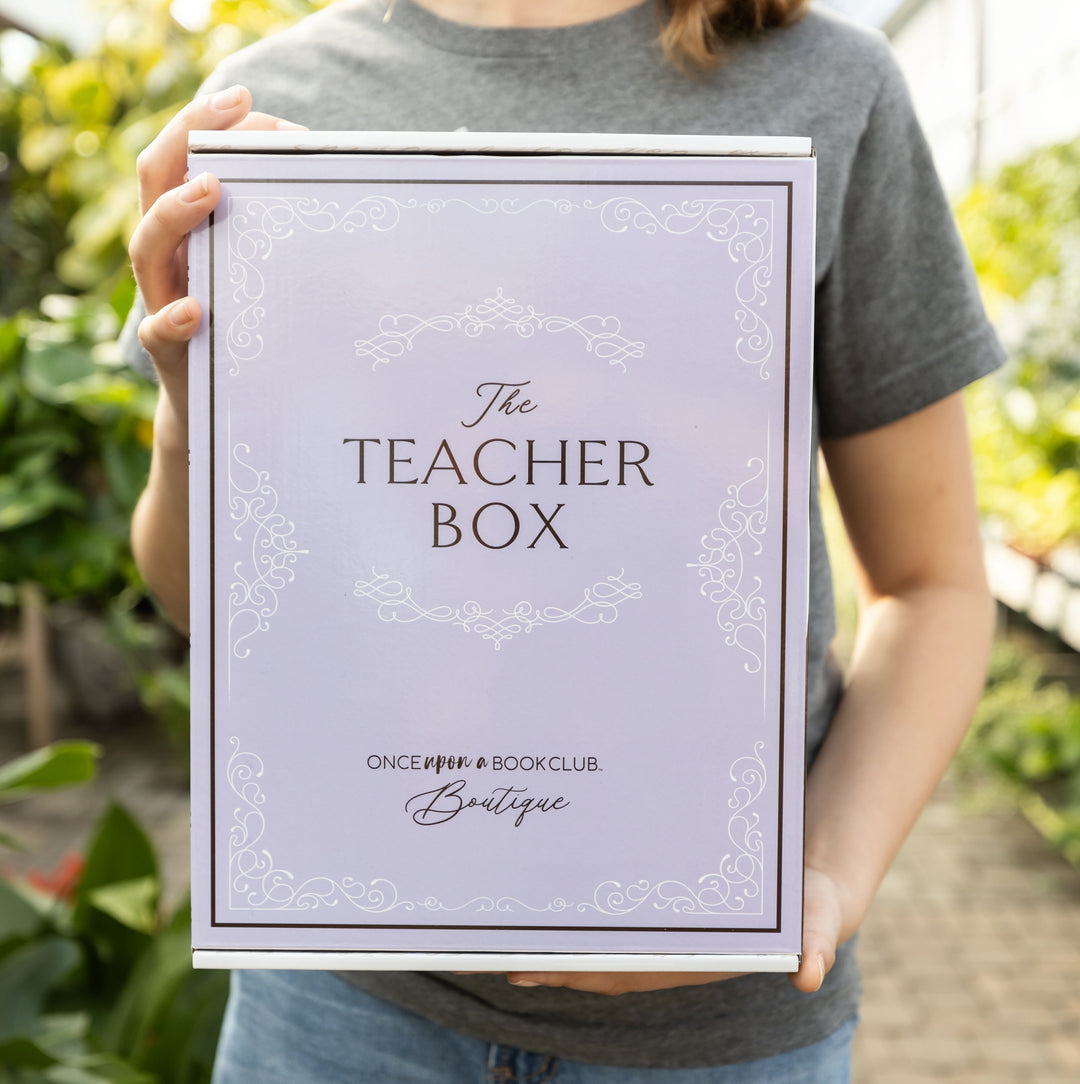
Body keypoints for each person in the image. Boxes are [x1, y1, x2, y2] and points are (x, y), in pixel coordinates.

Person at [122, 0, 1003, 1079]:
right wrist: (189, 412)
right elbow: (201, 598)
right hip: (340, 1000)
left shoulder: (831, 86)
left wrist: (823, 866)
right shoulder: (267, 104)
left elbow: (932, 584)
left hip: (712, 1033)